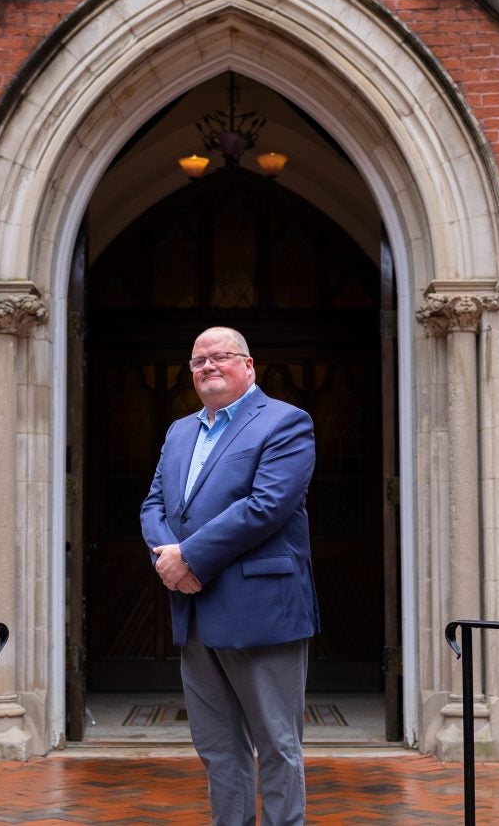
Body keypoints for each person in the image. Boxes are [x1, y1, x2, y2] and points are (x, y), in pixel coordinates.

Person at [141, 326, 320, 826]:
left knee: (278, 746)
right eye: (198, 361)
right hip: (194, 612)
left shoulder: (286, 422)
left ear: (249, 365)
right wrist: (168, 560)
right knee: (219, 751)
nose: (207, 367)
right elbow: (154, 503)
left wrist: (190, 559)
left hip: (261, 610)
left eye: (220, 356)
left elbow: (266, 506)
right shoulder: (180, 431)